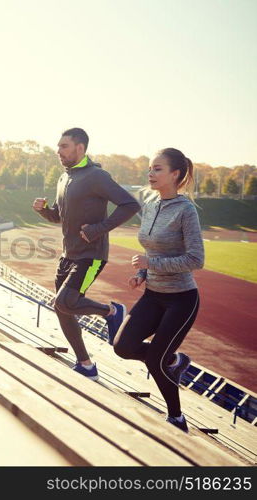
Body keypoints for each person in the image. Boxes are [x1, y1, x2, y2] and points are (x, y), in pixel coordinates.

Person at [33, 128, 140, 380]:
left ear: (80, 148)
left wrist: (98, 229)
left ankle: (112, 312)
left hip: (90, 255)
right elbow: (58, 216)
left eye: (64, 146)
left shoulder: (96, 176)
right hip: (67, 255)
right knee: (63, 308)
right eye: (58, 146)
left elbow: (130, 204)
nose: (58, 151)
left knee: (64, 301)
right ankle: (86, 365)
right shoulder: (64, 178)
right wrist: (44, 210)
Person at [112, 148, 203, 433]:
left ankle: (177, 418)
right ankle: (175, 361)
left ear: (175, 174)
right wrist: (143, 272)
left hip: (181, 300)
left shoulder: (186, 210)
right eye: (150, 168)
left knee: (155, 360)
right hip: (153, 294)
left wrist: (151, 263)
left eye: (158, 169)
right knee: (122, 347)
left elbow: (196, 260)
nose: (150, 174)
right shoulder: (150, 205)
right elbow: (151, 247)